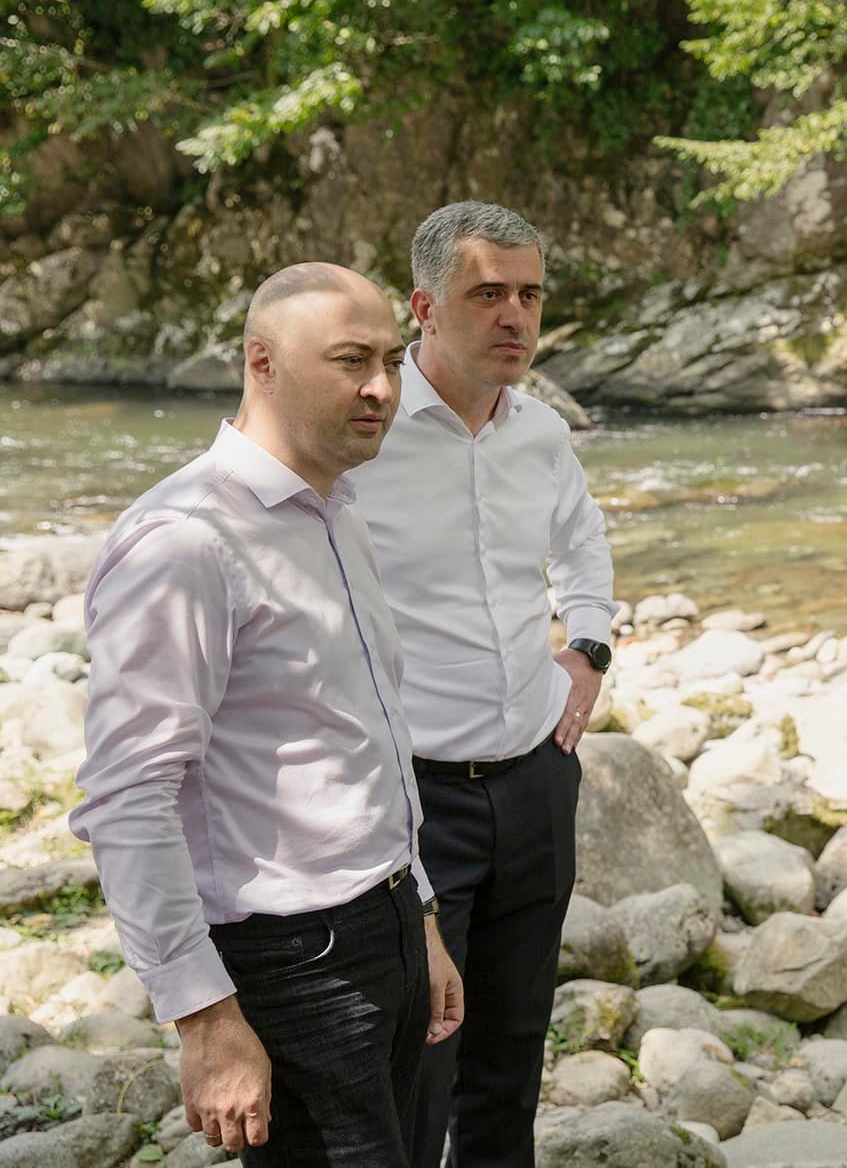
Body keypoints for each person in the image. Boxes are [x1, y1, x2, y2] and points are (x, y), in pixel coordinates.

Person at [70, 263, 463, 1166]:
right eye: (351, 360)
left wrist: (421, 917)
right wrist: (204, 1017)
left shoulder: (336, 509)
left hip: (388, 923)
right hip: (293, 965)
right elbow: (130, 796)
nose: (382, 387)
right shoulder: (186, 541)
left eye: (392, 360)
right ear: (262, 362)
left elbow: (368, 741)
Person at [348, 202, 614, 1168]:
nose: (515, 316)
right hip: (417, 799)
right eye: (488, 293)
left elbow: (583, 541)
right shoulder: (363, 432)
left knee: (511, 1055)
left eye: (530, 295)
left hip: (537, 780)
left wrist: (589, 647)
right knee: (419, 1065)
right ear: (424, 307)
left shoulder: (541, 431)